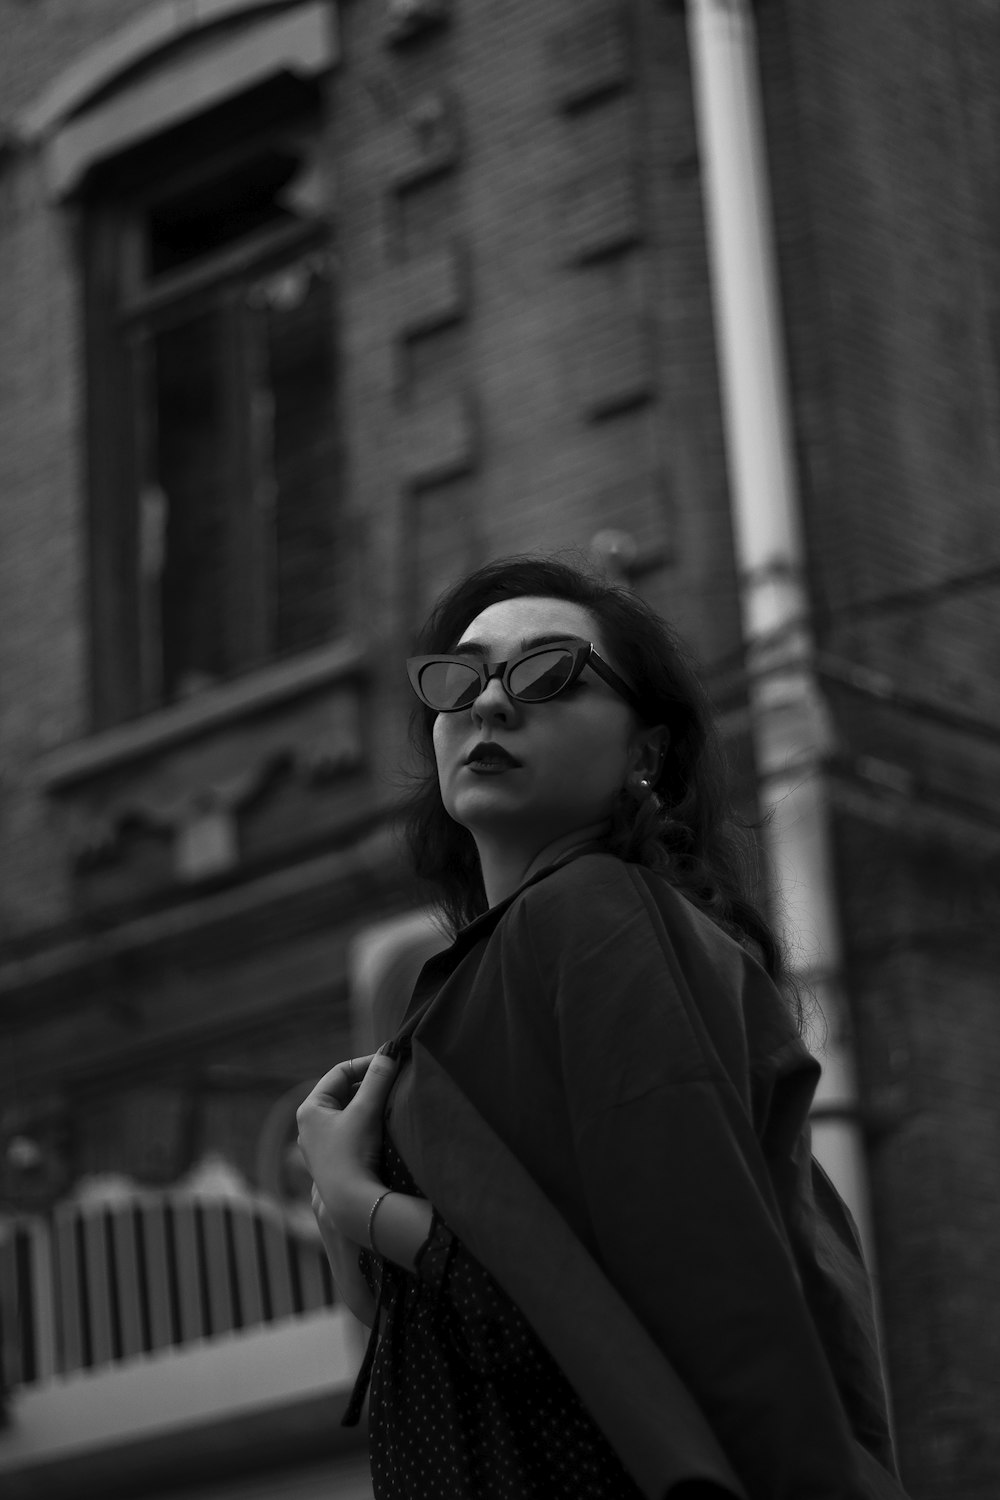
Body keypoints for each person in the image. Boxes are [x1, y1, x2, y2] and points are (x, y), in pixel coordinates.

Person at [297, 556, 908, 1500]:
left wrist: (359, 1202)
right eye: (459, 678)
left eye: (549, 673)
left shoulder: (593, 915)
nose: (489, 706)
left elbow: (662, 1316)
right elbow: (439, 1335)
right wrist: (348, 1207)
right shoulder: (486, 971)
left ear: (646, 752)